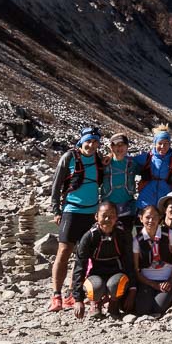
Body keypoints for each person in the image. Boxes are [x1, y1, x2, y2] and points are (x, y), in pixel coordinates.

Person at [49, 127, 106, 312]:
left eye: (95, 142)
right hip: (71, 210)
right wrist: (56, 210)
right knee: (64, 251)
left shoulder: (99, 160)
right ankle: (56, 295)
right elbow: (56, 185)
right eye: (88, 141)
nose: (91, 145)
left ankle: (74, 294)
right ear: (82, 141)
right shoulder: (69, 157)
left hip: (91, 213)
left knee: (84, 255)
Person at [71, 202, 137, 319]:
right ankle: (95, 302)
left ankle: (114, 303)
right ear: (96, 217)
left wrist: (132, 290)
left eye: (111, 215)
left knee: (115, 284)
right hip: (95, 274)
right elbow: (80, 266)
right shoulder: (89, 237)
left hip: (117, 273)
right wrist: (78, 299)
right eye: (104, 215)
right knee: (95, 287)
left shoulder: (123, 234)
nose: (107, 219)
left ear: (116, 217)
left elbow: (129, 262)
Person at [133, 204, 172, 316]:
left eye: (154, 217)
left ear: (160, 218)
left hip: (166, 279)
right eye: (147, 217)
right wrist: (153, 284)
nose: (151, 220)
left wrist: (170, 279)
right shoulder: (137, 240)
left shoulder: (168, 234)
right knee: (142, 310)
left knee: (158, 309)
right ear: (141, 218)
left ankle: (171, 296)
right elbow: (136, 269)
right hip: (147, 280)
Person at [134, 125, 172, 213]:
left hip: (164, 201)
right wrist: (110, 156)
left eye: (166, 143)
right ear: (155, 144)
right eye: (160, 143)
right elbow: (128, 160)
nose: (163, 146)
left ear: (170, 144)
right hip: (145, 200)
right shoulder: (147, 157)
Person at [102, 133, 139, 231]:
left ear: (127, 147)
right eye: (116, 145)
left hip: (127, 210)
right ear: (111, 147)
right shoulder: (104, 164)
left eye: (122, 144)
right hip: (108, 210)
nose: (119, 148)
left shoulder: (133, 164)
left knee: (125, 241)